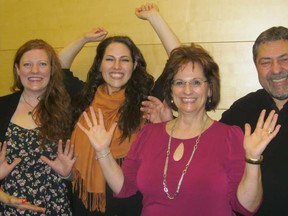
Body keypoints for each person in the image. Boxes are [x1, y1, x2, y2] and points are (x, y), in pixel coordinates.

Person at [77, 43, 280, 216]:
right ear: (171, 90)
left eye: (196, 82)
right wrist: (103, 150)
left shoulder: (229, 136)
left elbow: (246, 207)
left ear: (209, 89)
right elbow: (124, 188)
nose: (187, 90)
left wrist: (253, 159)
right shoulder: (149, 133)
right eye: (180, 83)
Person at [58, 3, 180, 215]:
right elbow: (58, 68)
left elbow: (180, 60)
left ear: (134, 66)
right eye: (110, 60)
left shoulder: (147, 102)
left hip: (130, 204)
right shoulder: (84, 98)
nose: (116, 67)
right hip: (84, 204)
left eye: (124, 60)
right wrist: (85, 39)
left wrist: (154, 18)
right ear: (99, 65)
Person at [0, 39, 77, 215]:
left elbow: (82, 173)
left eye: (42, 64)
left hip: (57, 208)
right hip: (9, 209)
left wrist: (68, 175)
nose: (35, 71)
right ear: (17, 70)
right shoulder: (1, 108)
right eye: (27, 64)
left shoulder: (69, 110)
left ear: (52, 69)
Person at [219, 26, 288, 215]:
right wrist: (171, 121)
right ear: (256, 67)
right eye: (266, 62)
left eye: (284, 59)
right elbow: (204, 142)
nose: (276, 69)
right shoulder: (242, 110)